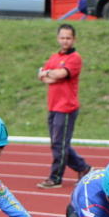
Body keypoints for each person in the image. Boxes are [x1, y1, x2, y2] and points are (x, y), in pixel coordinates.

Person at [37, 23, 91, 188]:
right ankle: (83, 168)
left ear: (74, 39)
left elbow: (61, 73)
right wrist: (50, 75)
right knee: (58, 144)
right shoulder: (54, 57)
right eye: (62, 38)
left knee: (59, 144)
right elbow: (42, 77)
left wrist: (50, 73)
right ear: (58, 38)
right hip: (53, 106)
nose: (65, 41)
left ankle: (55, 178)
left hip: (66, 107)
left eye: (68, 38)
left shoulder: (75, 58)